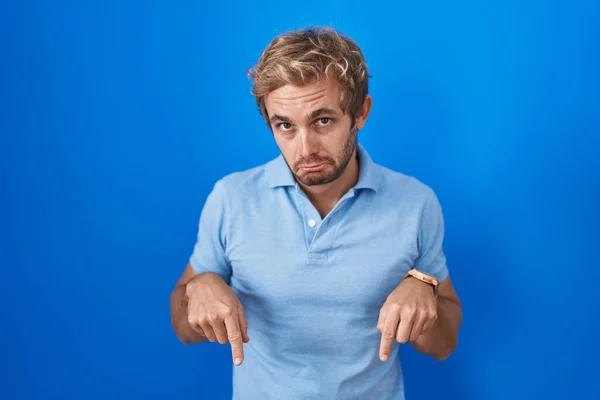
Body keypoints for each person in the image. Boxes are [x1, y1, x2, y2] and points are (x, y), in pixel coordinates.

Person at [169, 26, 462, 400]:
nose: (305, 148)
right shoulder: (230, 198)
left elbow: (444, 344)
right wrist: (197, 288)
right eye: (285, 125)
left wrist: (426, 291)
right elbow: (182, 326)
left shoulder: (416, 203)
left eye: (323, 120)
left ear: (360, 112)